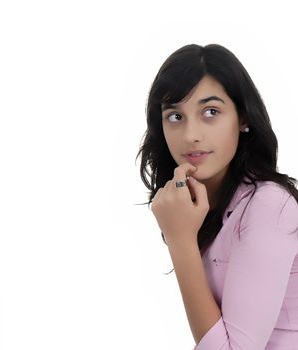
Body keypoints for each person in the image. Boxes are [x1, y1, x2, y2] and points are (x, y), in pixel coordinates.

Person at [138, 44, 298, 349]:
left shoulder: (268, 206)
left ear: (243, 118)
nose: (190, 135)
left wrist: (180, 240)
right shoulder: (204, 205)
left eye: (210, 112)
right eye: (175, 116)